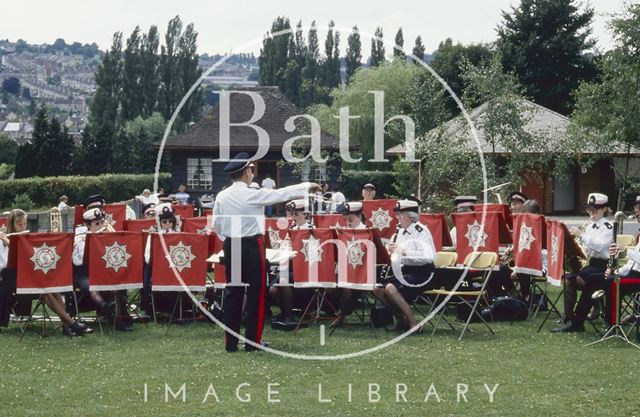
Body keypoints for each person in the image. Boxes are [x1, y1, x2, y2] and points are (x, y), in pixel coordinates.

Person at [212, 152, 320, 352]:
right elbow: (281, 194)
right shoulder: (252, 193)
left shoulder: (221, 196)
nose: (252, 173)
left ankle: (231, 343)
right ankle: (252, 343)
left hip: (231, 245)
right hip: (252, 246)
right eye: (250, 170)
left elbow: (217, 225)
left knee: (233, 294)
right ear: (245, 172)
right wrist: (306, 187)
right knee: (256, 294)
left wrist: (228, 239)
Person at [0, 209, 92, 336]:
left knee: (51, 286)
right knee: (45, 290)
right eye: (19, 224)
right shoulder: (3, 242)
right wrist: (8, 242)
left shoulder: (25, 239)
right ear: (12, 224)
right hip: (13, 281)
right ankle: (71, 323)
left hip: (30, 276)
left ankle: (68, 325)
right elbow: (6, 264)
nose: (23, 227)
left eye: (25, 223)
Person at [373, 198, 436, 332]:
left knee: (390, 288)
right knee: (377, 289)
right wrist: (389, 253)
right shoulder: (399, 232)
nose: (398, 218)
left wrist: (404, 252)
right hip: (403, 272)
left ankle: (413, 323)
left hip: (422, 273)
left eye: (401, 215)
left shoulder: (421, 231)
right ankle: (402, 321)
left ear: (411, 217)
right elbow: (396, 257)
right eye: (397, 215)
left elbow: (428, 257)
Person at [553, 193, 613, 333]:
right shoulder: (590, 227)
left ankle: (583, 315)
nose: (591, 213)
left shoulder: (608, 227)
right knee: (568, 280)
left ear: (604, 209)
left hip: (604, 265)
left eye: (594, 210)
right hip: (591, 264)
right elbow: (588, 252)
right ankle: (568, 317)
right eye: (589, 210)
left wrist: (582, 236)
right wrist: (574, 244)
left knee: (581, 279)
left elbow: (601, 247)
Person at [269, 199, 313, 329]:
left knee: (282, 281)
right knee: (273, 290)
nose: (293, 216)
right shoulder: (293, 228)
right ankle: (286, 313)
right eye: (291, 213)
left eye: (296, 213)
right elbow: (284, 246)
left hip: (305, 269)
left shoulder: (311, 230)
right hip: (289, 266)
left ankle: (288, 316)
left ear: (305, 214)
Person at [331, 202, 368, 328]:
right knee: (328, 285)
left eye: (350, 219)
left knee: (347, 287)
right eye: (345, 219)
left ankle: (341, 316)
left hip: (361, 273)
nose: (347, 222)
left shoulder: (367, 231)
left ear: (359, 216)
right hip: (344, 271)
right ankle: (336, 311)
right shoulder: (344, 232)